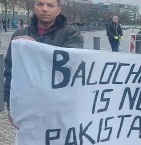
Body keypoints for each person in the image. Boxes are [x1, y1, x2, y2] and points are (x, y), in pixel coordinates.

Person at [4, 0, 84, 128]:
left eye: (50, 5)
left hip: (59, 106)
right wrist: (10, 105)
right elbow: (10, 72)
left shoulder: (72, 34)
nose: (44, 9)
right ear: (34, 7)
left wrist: (34, 46)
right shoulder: (19, 35)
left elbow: (69, 66)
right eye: (40, 4)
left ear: (58, 10)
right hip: (28, 105)